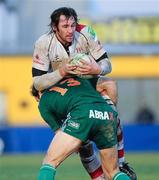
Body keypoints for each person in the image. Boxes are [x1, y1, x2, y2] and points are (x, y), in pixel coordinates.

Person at [32, 7, 136, 180]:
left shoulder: (86, 32)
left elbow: (107, 65)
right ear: (54, 27)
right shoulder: (43, 42)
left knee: (110, 85)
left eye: (73, 25)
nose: (70, 30)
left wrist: (98, 68)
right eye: (65, 26)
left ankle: (121, 158)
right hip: (63, 87)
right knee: (89, 150)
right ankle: (108, 127)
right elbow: (37, 82)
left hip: (86, 84)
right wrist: (62, 72)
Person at [32, 76, 131, 180]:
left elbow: (59, 131)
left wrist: (78, 141)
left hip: (82, 114)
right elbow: (110, 83)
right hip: (107, 114)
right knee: (113, 173)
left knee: (49, 163)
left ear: (38, 94)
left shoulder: (43, 101)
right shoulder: (77, 79)